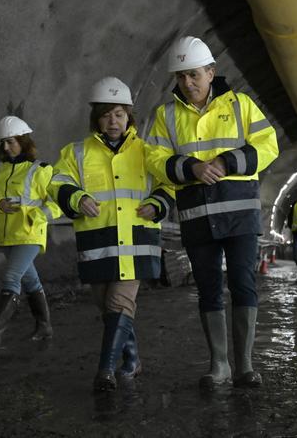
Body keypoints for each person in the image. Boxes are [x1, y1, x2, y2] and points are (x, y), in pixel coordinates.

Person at [145, 36, 278, 389]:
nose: (187, 84)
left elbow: (269, 146)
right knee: (208, 289)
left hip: (239, 215)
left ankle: (245, 366)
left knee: (243, 283)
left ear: (211, 72)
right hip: (197, 215)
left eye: (194, 75)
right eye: (181, 77)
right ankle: (219, 364)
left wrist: (225, 161)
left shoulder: (241, 105)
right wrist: (191, 169)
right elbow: (155, 160)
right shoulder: (166, 115)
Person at [50, 77, 174, 391]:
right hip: (97, 244)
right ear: (97, 118)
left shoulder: (147, 151)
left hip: (136, 241)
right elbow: (56, 183)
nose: (113, 121)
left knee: (120, 304)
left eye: (119, 114)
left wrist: (157, 203)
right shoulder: (76, 152)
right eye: (106, 114)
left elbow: (168, 183)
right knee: (108, 308)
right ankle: (132, 358)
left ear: (129, 116)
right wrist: (77, 198)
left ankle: (105, 371)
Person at [0, 116, 61, 353]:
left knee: (12, 277)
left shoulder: (41, 170)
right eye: (3, 142)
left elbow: (56, 202)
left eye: (10, 141)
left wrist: (38, 216)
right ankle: (45, 327)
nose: (5, 147)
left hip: (30, 233)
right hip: (6, 235)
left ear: (23, 141)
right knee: (30, 279)